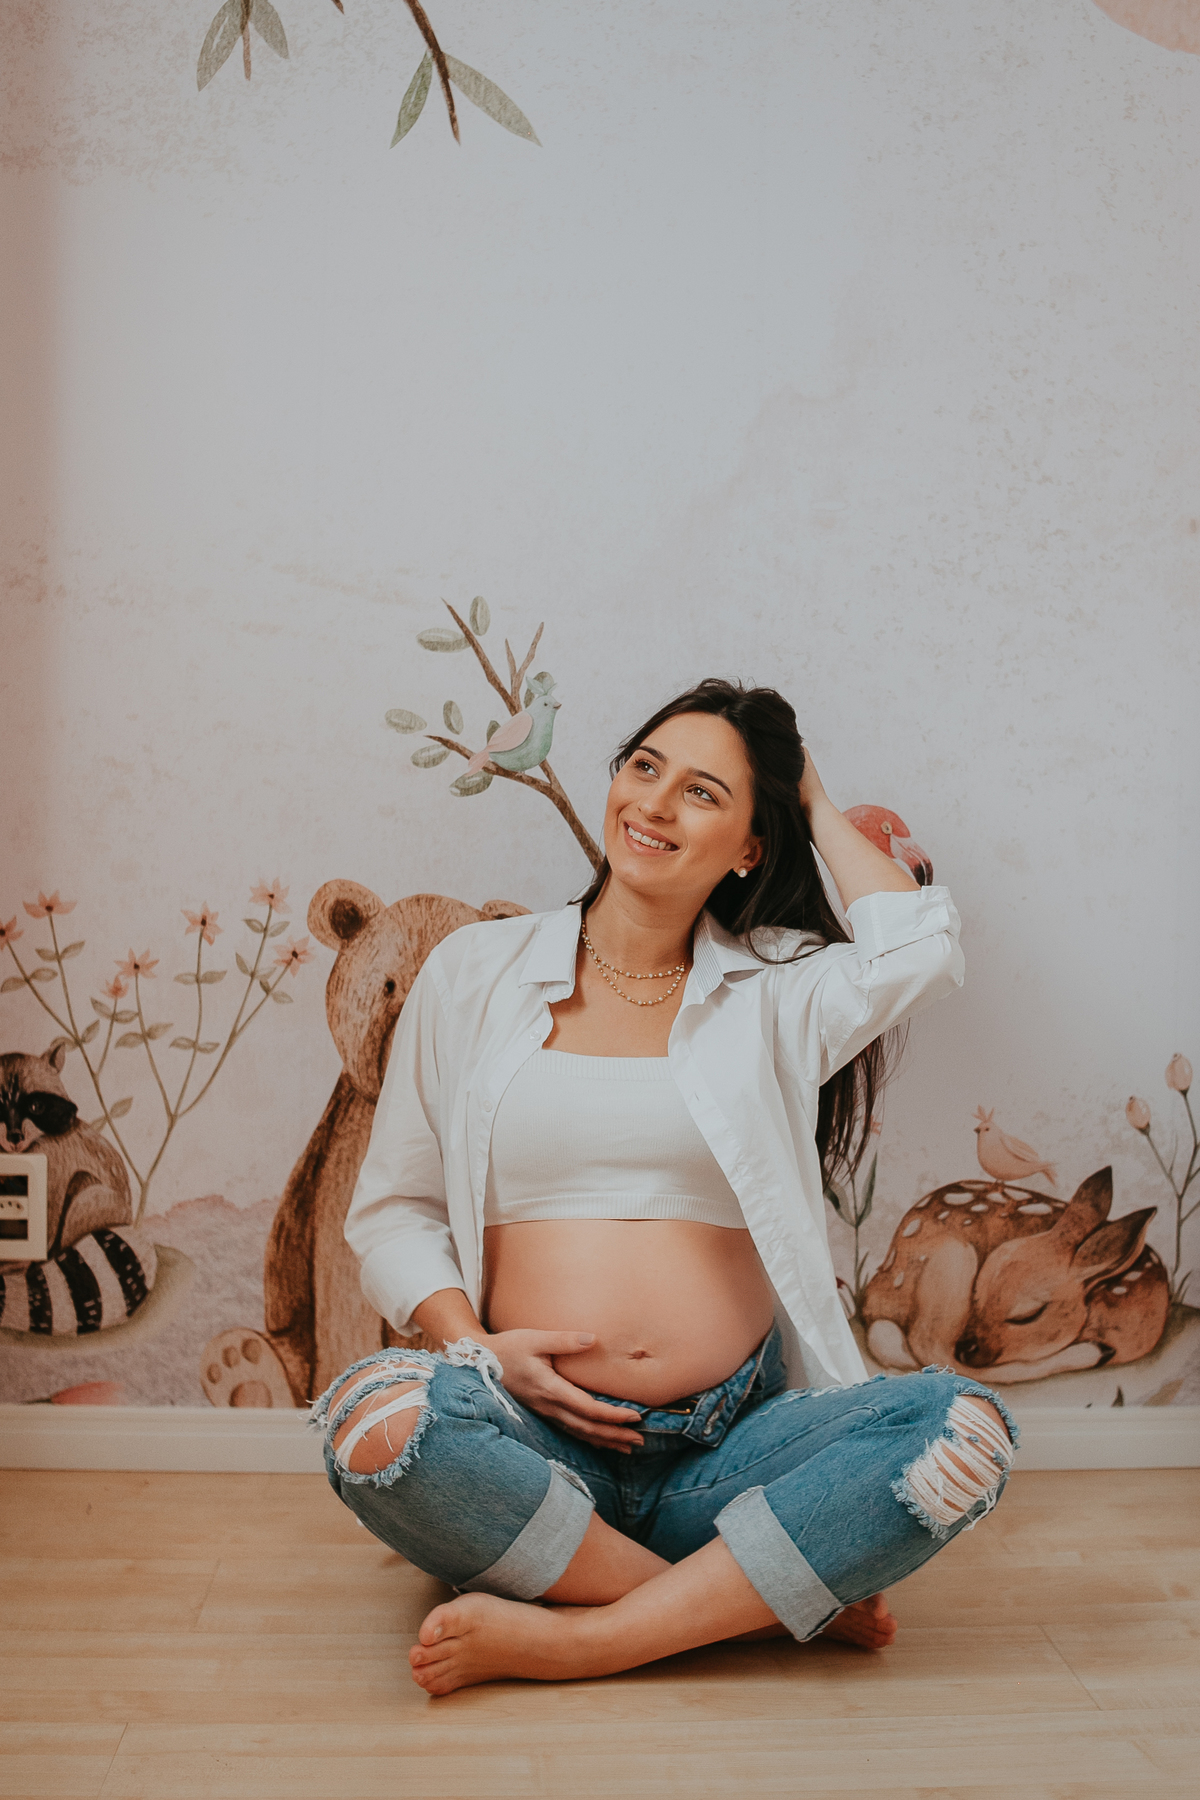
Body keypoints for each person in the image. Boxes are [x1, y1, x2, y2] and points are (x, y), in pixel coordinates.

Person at [316, 679, 1016, 1695]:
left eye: (702, 792)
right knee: (370, 1419)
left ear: (750, 847)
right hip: (534, 1439)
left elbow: (920, 950)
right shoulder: (473, 972)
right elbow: (395, 1209)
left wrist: (812, 796)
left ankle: (587, 1637)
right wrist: (476, 1346)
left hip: (732, 1449)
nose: (653, 803)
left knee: (963, 1427)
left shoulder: (776, 988)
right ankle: (740, 1606)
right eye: (644, 768)